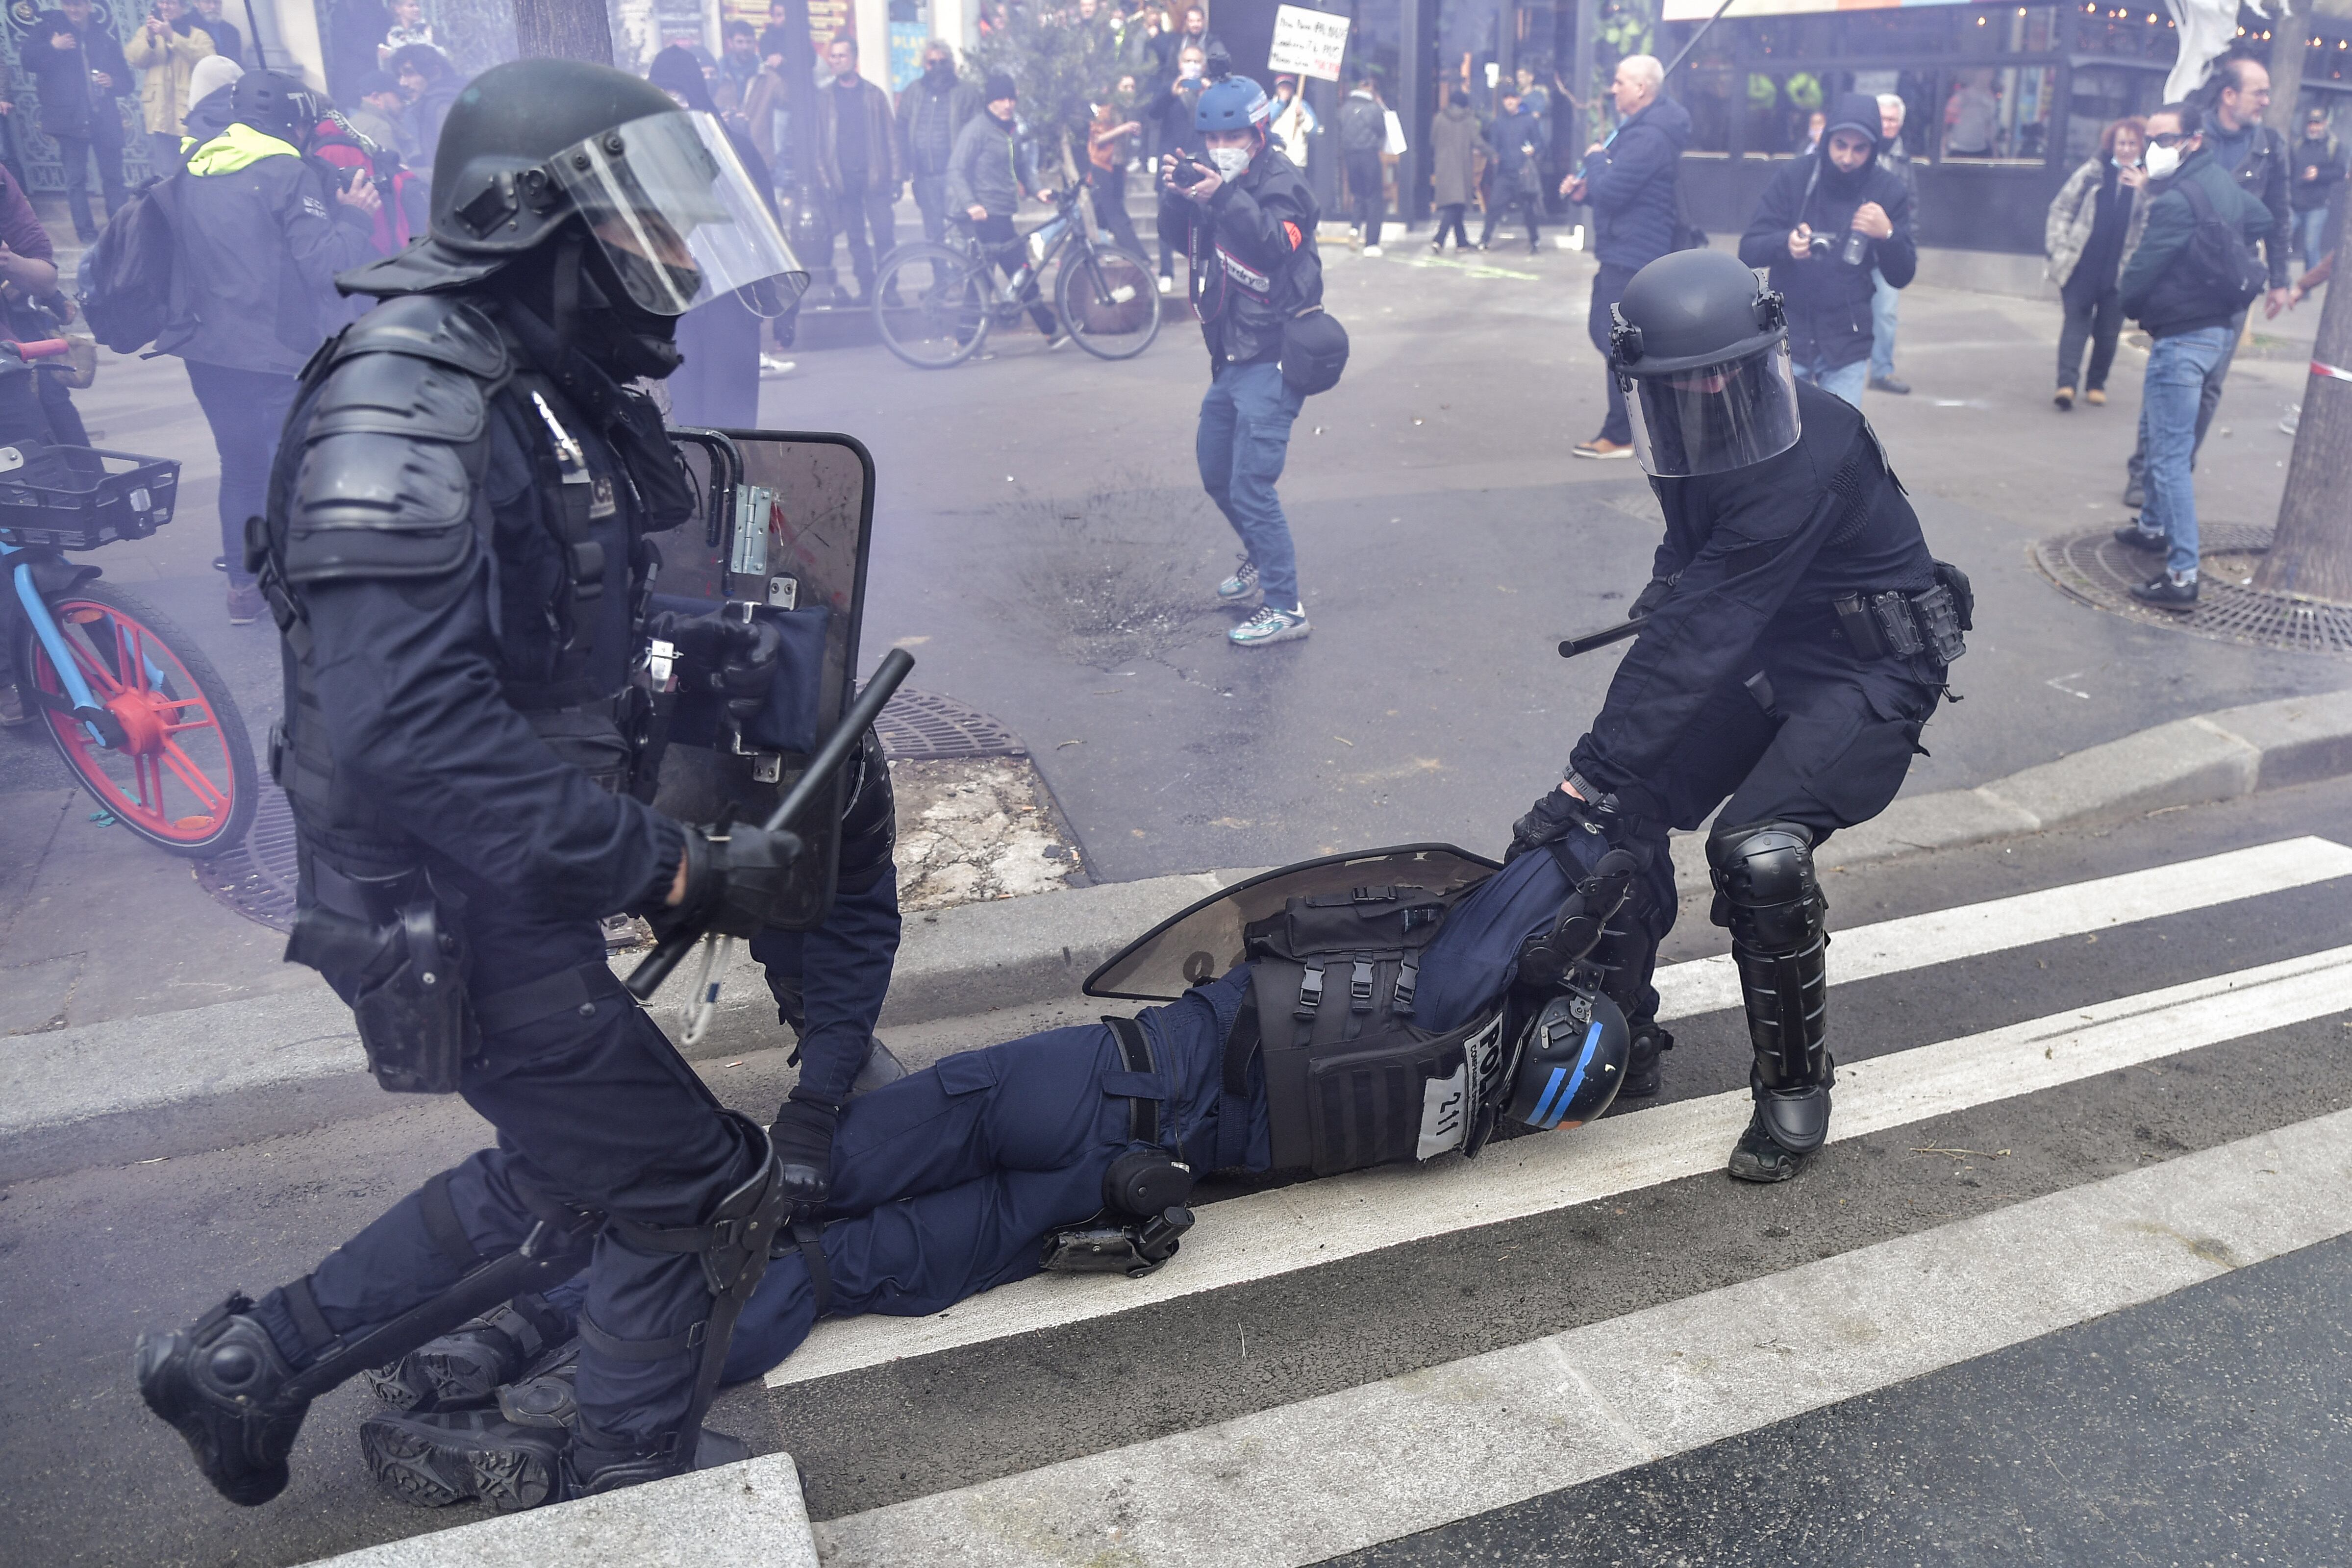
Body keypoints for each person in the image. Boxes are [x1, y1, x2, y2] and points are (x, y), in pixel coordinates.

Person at [132, 55, 829, 1513]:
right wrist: (676, 866)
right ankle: (632, 1492)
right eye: (642, 228)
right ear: (533, 228)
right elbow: (411, 730)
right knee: (696, 1183)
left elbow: (534, 634)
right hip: (441, 905)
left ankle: (249, 1367)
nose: (673, 261)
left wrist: (688, 661)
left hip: (494, 886)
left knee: (578, 1168)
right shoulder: (410, 396)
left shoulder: (517, 378)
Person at [352, 837, 1638, 1490]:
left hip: (1072, 1084)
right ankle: (569, 1388)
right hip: (1114, 1185)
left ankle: (505, 1331)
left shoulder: (1448, 1004)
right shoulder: (1448, 1122)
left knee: (772, 1197)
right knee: (835, 1270)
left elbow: (1532, 880)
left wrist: (1589, 858)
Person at [1515, 246, 1967, 1183]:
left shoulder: (1812, 447)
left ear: (1761, 355)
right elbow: (1693, 565)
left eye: (1724, 369)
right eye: (1683, 379)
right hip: (1768, 655)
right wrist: (1604, 780)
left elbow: (1697, 636)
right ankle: (1622, 1034)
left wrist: (1582, 772)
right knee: (1620, 812)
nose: (1708, 389)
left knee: (1757, 850)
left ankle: (1794, 1087)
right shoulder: (1684, 431)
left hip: (1870, 672)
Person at [154, 71, 376, 625]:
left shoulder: (193, 164)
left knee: (240, 467)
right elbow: (329, 268)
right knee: (295, 468)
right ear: (294, 123)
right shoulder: (287, 171)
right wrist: (356, 214)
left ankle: (243, 590)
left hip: (208, 352)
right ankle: (307, 591)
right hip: (278, 353)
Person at [1159, 74, 1321, 648]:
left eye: (1232, 137)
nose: (1221, 148)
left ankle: (1285, 607)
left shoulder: (1284, 183)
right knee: (1216, 472)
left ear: (1257, 132)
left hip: (1274, 355)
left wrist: (1221, 198)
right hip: (1231, 355)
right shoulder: (1214, 180)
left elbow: (1275, 244)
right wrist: (1178, 196)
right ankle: (1260, 554)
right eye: (1212, 139)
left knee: (1251, 483)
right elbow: (1183, 242)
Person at [2112, 101, 2272, 611]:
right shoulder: (2219, 183)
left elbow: (2137, 277)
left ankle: (2182, 574)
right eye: (2149, 140)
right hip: (2216, 332)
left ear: (2193, 141)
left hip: (2182, 337)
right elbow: (2262, 217)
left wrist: (2130, 303)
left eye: (2163, 140)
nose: (2152, 149)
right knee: (2164, 439)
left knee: (2169, 457)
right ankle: (2151, 527)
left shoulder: (2176, 202)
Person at [2119, 57, 2291, 509]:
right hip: (2181, 283)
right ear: (2229, 95)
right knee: (2168, 377)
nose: (2266, 100)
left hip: (2229, 281)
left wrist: (2273, 275)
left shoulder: (2270, 144)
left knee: (2209, 384)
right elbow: (2165, 197)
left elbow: (2276, 214)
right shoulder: (2188, 133)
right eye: (2259, 91)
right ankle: (2146, 473)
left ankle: (2176, 468)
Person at [1736, 91, 1914, 408]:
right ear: (1827, 139)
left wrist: (1888, 234)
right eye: (1840, 145)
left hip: (1847, 339)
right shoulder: (1795, 176)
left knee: (1842, 435)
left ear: (1874, 148)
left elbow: (1902, 275)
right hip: (1789, 334)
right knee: (1787, 432)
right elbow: (1749, 249)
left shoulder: (1888, 189)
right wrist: (1786, 244)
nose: (1847, 158)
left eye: (1860, 148)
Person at [1560, 53, 1688, 457]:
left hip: (1634, 253)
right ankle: (1649, 422)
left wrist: (1595, 160)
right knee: (1617, 338)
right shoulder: (1640, 131)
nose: (1613, 89)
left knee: (1618, 340)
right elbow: (1618, 190)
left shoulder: (1650, 137)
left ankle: (1622, 433)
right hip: (1625, 248)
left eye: (1619, 82)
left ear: (1641, 88)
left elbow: (1613, 190)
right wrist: (1586, 190)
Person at [649, 44, 769, 429]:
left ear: (696, 94)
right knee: (688, 417)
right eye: (663, 94)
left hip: (731, 298)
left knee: (731, 415)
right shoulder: (644, 155)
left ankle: (732, 469)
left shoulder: (735, 150)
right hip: (676, 305)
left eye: (680, 94)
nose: (674, 105)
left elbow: (766, 226)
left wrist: (779, 305)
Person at [2045, 116, 2149, 411]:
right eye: (2121, 143)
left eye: (2132, 144)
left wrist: (2145, 190)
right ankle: (2066, 385)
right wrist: (2059, 248)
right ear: (2111, 146)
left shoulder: (2149, 182)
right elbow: (2061, 208)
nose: (2126, 149)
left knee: (2107, 332)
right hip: (2081, 266)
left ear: (2141, 147)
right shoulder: (2093, 173)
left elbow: (2153, 224)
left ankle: (2096, 384)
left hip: (2120, 272)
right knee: (2075, 325)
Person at [946, 72, 1058, 337]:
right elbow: (955, 169)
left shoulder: (1011, 131)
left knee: (1016, 272)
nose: (1008, 105)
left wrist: (1038, 190)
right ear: (990, 101)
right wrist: (971, 205)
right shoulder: (977, 130)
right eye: (1001, 99)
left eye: (1011, 99)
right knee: (991, 278)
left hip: (1002, 213)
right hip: (984, 215)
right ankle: (1048, 328)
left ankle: (1048, 329)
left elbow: (1022, 166)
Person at [25, 0, 133, 241]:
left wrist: (113, 82)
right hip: (69, 120)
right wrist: (53, 47)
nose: (74, 10)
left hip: (103, 120)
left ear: (89, 7)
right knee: (76, 180)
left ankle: (120, 230)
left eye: (79, 5)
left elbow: (127, 82)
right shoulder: (48, 30)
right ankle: (86, 233)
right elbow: (27, 61)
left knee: (114, 178)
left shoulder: (104, 37)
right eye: (69, 4)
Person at [812, 36, 899, 304]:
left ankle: (890, 289)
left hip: (876, 177)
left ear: (854, 58)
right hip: (843, 180)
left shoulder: (874, 95)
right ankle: (867, 288)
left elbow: (891, 138)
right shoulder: (825, 98)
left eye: (842, 56)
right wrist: (826, 180)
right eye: (833, 56)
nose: (837, 61)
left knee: (885, 236)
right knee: (856, 240)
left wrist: (896, 176)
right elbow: (818, 144)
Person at [897, 40, 978, 245]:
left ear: (951, 64)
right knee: (933, 234)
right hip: (925, 176)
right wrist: (904, 165)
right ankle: (939, 267)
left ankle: (959, 267)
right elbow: (901, 128)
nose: (938, 68)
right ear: (925, 65)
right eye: (932, 63)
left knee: (958, 232)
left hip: (955, 176)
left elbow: (977, 133)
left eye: (943, 62)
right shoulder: (913, 91)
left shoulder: (966, 92)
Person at [124, 0, 214, 173]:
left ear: (183, 7)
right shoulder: (145, 32)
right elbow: (134, 58)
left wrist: (172, 36)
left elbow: (208, 60)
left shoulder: (199, 35)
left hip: (188, 115)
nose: (165, 7)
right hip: (159, 115)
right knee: (166, 173)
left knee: (193, 170)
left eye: (171, 3)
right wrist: (150, 39)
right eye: (162, 2)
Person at [1867, 94, 1914, 395]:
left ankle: (1882, 371)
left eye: (1893, 120)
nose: (1888, 125)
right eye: (1883, 118)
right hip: (1854, 247)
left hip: (1888, 247)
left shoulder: (1903, 160)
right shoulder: (1859, 153)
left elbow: (1913, 206)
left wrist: (1906, 244)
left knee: (1886, 314)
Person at [1152, 43, 1209, 284]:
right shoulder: (1169, 88)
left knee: (1201, 220)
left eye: (1196, 62)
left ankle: (1201, 273)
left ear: (1203, 66)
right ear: (1179, 64)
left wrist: (1209, 98)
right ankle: (1166, 272)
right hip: (1171, 163)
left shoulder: (1208, 92)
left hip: (1199, 163)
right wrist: (1170, 94)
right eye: (1188, 61)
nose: (1192, 66)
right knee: (1166, 218)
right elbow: (1152, 113)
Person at [1477, 85, 1545, 254]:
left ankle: (1534, 240)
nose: (1509, 101)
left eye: (1512, 98)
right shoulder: (1498, 123)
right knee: (1494, 207)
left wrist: (1533, 149)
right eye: (1506, 98)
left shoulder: (1529, 120)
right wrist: (1494, 157)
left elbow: (1540, 143)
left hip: (1523, 172)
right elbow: (1494, 146)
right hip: (1505, 173)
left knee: (1528, 209)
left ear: (1518, 100)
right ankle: (1485, 240)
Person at [1086, 97, 1145, 256]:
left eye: (1132, 87)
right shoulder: (1106, 112)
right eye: (1125, 87)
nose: (1129, 92)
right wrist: (1124, 128)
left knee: (1099, 215)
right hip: (1103, 166)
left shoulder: (1128, 111)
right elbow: (1098, 139)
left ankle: (1067, 258)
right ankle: (1140, 258)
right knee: (1117, 216)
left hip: (1118, 169)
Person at [1336, 72, 1385, 254]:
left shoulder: (1345, 108)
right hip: (1369, 154)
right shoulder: (1373, 108)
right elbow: (1381, 130)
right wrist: (1380, 105)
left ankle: (1354, 229)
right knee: (1373, 197)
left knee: (1358, 195)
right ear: (1371, 90)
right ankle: (1371, 244)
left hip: (1350, 155)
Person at [2290, 108, 2342, 273]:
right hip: (2294, 203)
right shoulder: (2299, 144)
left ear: (2325, 124)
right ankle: (2281, 280)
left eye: (2317, 124)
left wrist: (2319, 174)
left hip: (2317, 205)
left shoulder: (2333, 146)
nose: (2313, 127)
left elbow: (2340, 172)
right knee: (2282, 241)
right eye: (2311, 123)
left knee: (2310, 247)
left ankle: (2309, 283)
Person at [1428, 87, 1477, 254]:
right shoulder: (1469, 119)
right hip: (1462, 166)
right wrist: (1492, 153)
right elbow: (1476, 140)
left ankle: (1462, 242)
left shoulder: (1440, 118)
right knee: (1455, 205)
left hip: (1444, 166)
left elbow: (1433, 140)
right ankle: (1439, 239)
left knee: (1456, 205)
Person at [391, 43, 460, 160]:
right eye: (400, 76)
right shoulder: (437, 102)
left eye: (410, 73)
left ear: (435, 71)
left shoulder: (442, 106)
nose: (403, 83)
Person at [345, 68, 411, 158]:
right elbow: (394, 166)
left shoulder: (352, 123)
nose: (404, 104)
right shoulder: (379, 128)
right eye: (400, 97)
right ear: (376, 98)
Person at [1944, 70, 1997, 157]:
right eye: (1987, 73)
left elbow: (1989, 126)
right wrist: (1943, 146)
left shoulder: (1990, 99)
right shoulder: (1961, 97)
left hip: (1981, 151)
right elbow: (1947, 122)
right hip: (1958, 150)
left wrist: (1995, 151)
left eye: (1991, 74)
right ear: (1978, 74)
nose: (1990, 77)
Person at [1269, 73, 1313, 170]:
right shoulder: (1270, 105)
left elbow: (1313, 129)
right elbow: (1267, 121)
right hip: (1275, 159)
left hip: (1296, 160)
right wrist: (1281, 103)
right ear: (1277, 89)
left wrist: (1302, 116)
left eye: (1288, 87)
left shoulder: (1302, 105)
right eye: (1282, 87)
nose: (1285, 90)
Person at [376, 0, 434, 69]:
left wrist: (394, 53)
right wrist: (385, 58)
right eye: (411, 6)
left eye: (418, 6)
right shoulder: (392, 35)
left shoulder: (427, 30)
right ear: (398, 9)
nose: (417, 9)